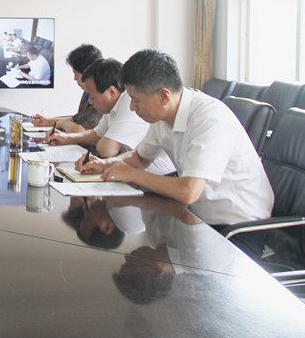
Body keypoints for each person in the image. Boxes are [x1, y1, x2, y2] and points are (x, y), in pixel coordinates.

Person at [82, 49, 274, 226]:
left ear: (164, 96)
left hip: (238, 226)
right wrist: (105, 164)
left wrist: (131, 174)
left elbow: (188, 191)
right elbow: (140, 158)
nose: (132, 108)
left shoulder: (209, 118)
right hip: (198, 218)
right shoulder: (162, 115)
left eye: (136, 100)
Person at [47, 58, 175, 176]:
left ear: (112, 91)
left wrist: (107, 162)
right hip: (138, 176)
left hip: (160, 179)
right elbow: (97, 134)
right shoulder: (113, 106)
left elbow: (107, 150)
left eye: (93, 97)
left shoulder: (128, 101)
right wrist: (66, 138)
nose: (90, 102)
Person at [31, 43, 103, 132]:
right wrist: (47, 121)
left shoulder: (101, 95)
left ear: (88, 74)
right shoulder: (88, 92)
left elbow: (79, 130)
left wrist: (62, 124)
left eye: (76, 75)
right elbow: (76, 119)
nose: (74, 79)